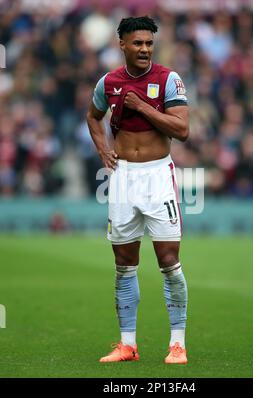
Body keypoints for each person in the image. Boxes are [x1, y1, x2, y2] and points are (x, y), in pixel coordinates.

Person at [86, 16, 189, 364]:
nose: (145, 49)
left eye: (149, 43)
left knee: (169, 261)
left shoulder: (168, 79)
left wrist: (142, 106)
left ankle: (178, 344)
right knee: (123, 263)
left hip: (158, 176)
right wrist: (103, 149)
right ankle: (127, 344)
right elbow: (92, 115)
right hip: (123, 177)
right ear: (122, 45)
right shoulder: (108, 82)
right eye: (138, 43)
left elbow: (182, 129)